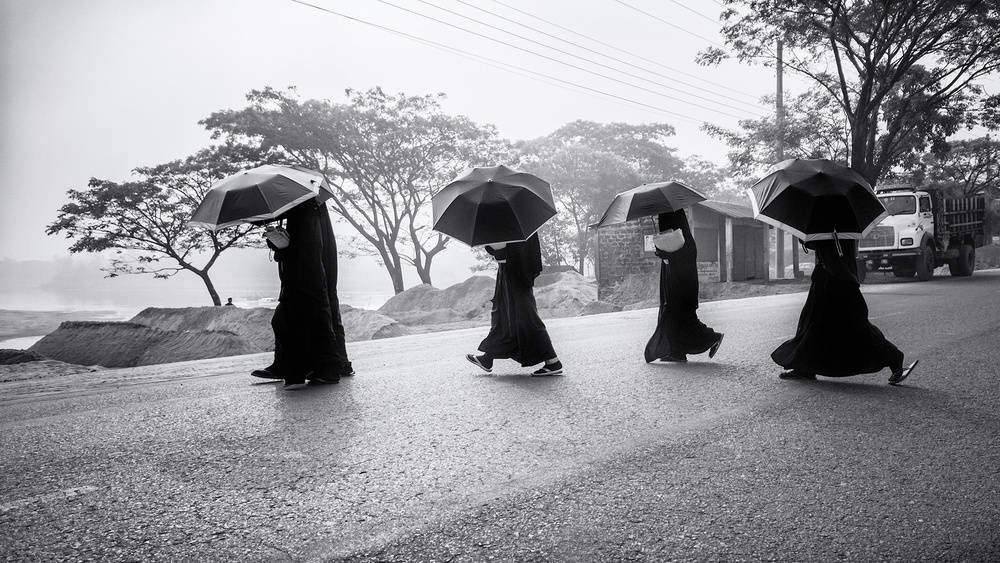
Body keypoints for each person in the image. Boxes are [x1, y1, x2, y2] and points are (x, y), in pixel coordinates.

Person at [771, 238, 918, 384]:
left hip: (838, 279)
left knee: (854, 326)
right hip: (829, 276)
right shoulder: (838, 227)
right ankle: (804, 367)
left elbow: (827, 245)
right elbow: (822, 244)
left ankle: (894, 357)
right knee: (815, 322)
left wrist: (806, 239)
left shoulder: (834, 226)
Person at [251, 198, 353, 388]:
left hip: (306, 276)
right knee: (320, 315)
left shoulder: (302, 210)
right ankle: (332, 365)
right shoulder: (311, 205)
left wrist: (279, 245)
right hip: (316, 275)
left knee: (293, 319)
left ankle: (319, 369)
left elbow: (303, 248)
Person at [465, 233, 564, 376]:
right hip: (508, 271)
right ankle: (487, 358)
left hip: (516, 272)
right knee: (502, 315)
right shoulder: (512, 225)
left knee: (526, 317)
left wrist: (493, 243)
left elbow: (508, 250)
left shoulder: (510, 227)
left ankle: (553, 361)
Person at [644, 209, 724, 363]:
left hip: (682, 281)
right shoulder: (682, 237)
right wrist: (661, 248)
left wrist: (665, 252)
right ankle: (676, 352)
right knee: (672, 313)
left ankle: (712, 337)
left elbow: (679, 255)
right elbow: (670, 252)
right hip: (673, 276)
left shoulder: (685, 241)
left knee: (682, 315)